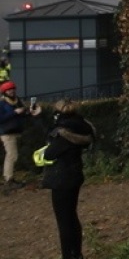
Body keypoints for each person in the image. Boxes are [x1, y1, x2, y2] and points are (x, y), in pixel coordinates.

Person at [40, 99, 96, 259]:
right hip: (75, 175)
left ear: (58, 114)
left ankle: (68, 255)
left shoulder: (64, 134)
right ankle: (77, 253)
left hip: (61, 179)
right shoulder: (81, 127)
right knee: (72, 216)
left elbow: (49, 153)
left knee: (64, 221)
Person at [1, 80, 42, 190]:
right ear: (4, 92)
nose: (12, 91)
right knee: (12, 155)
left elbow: (22, 115)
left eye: (13, 89)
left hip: (17, 131)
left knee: (13, 155)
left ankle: (9, 178)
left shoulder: (17, 101)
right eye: (9, 90)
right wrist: (14, 113)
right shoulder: (2, 103)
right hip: (7, 132)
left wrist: (31, 112)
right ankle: (8, 180)